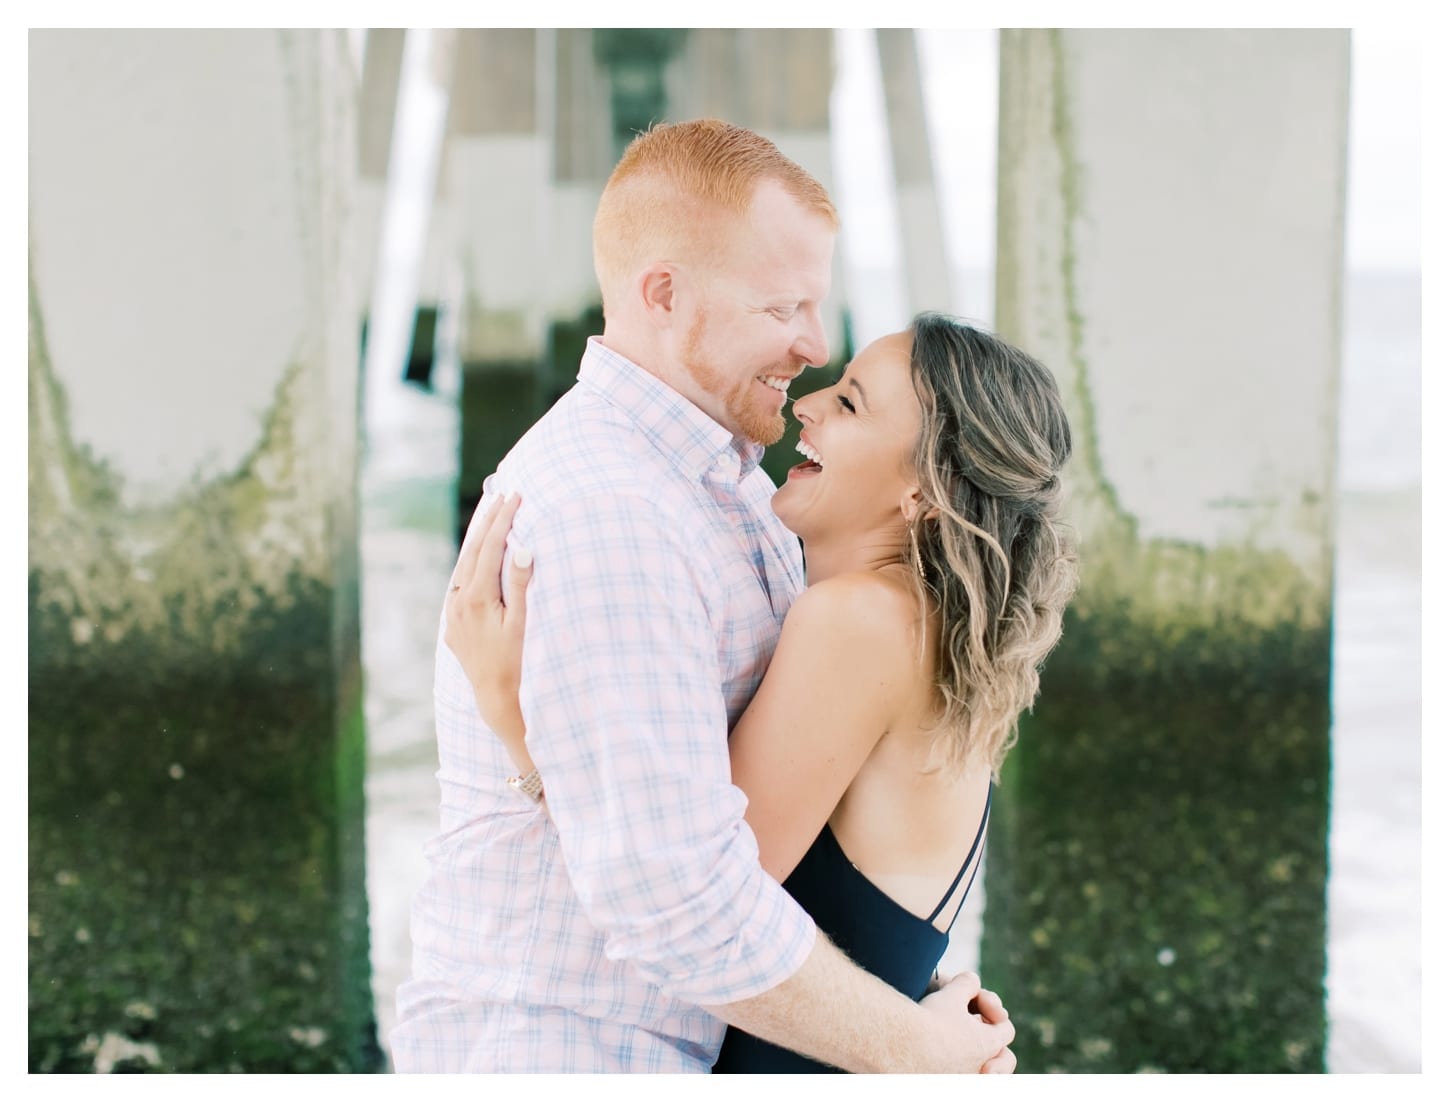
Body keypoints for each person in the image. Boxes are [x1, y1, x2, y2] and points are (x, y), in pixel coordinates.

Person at [391, 119, 1020, 1074]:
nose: (813, 347)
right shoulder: (617, 511)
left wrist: (908, 996)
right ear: (663, 293)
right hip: (566, 1049)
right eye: (785, 307)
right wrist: (915, 1042)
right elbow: (681, 892)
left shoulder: (748, 502)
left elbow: (735, 854)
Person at [448, 314, 1076, 1072]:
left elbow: (695, 888)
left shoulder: (859, 621)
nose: (808, 404)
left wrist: (511, 716)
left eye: (849, 404)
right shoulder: (920, 629)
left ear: (922, 492)